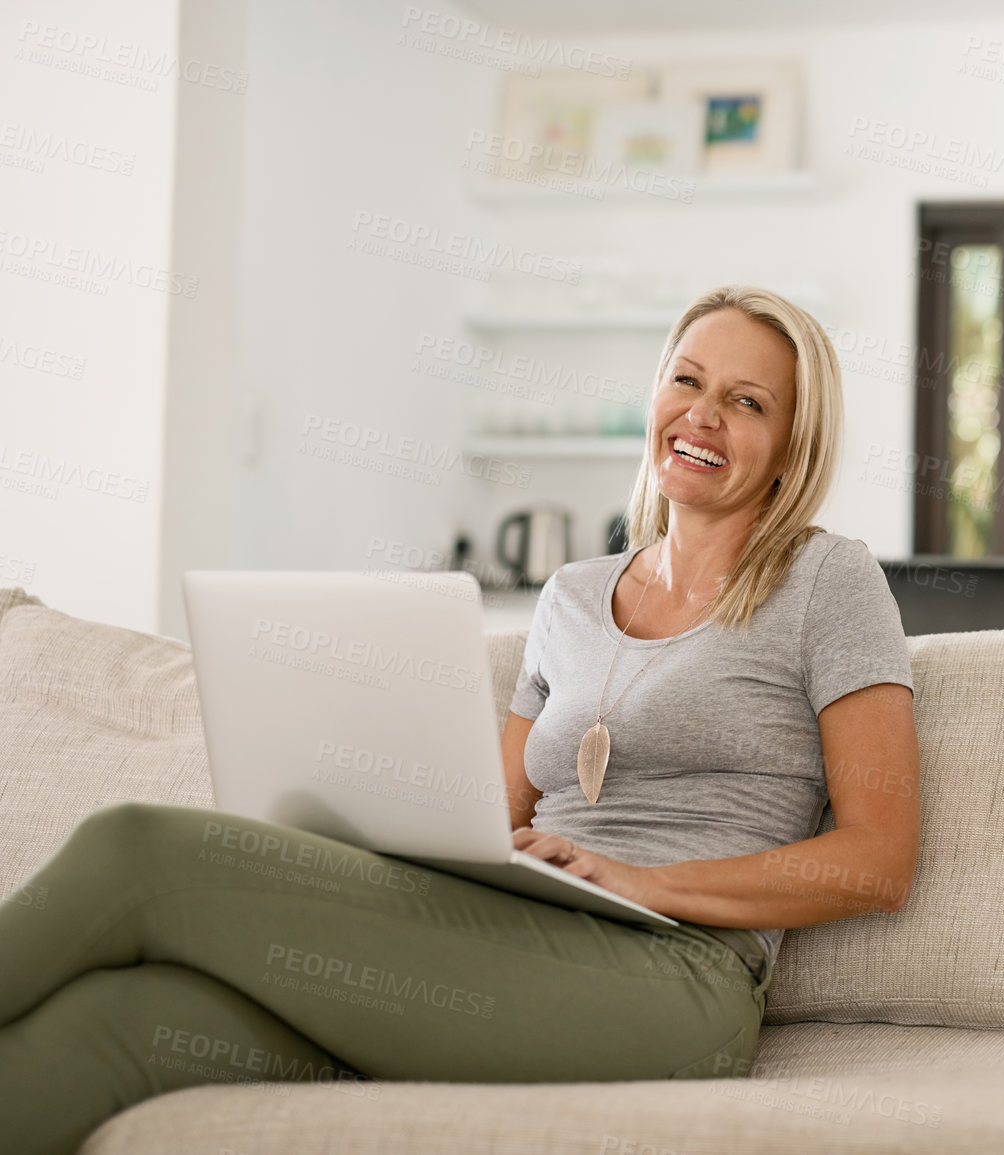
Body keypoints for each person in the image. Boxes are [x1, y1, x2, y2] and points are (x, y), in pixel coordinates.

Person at [0, 286, 921, 1155]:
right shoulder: (571, 595)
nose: (702, 414)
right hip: (504, 938)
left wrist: (643, 880)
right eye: (685, 379)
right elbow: (491, 818)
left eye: (746, 400)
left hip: (675, 976)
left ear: (793, 442)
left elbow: (878, 861)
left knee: (138, 850)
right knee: (118, 1022)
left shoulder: (827, 582)